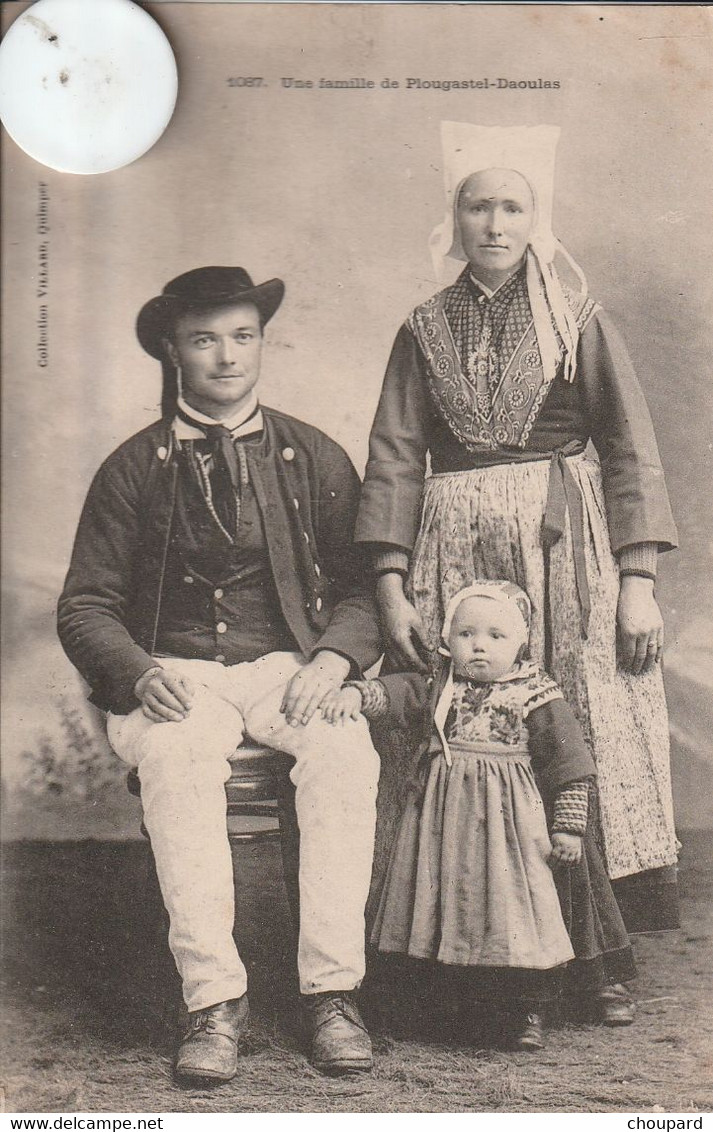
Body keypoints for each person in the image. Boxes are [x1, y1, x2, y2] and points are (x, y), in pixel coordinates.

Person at [57, 266, 382, 1083]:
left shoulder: (311, 455)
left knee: (345, 752)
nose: (228, 357)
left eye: (244, 336)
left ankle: (332, 994)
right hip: (170, 671)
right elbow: (86, 605)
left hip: (286, 667)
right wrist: (134, 673)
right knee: (178, 755)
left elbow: (361, 587)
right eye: (205, 339)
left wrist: (335, 658)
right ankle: (212, 1002)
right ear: (172, 349)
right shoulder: (133, 467)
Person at [354, 123, 680, 929]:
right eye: (476, 207)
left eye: (511, 206)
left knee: (574, 710)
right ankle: (460, 915)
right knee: (454, 709)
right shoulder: (422, 326)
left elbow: (629, 452)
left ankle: (587, 924)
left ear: (537, 217)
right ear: (453, 219)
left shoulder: (577, 318)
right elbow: (394, 457)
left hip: (561, 543)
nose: (493, 225)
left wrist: (636, 584)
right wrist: (390, 586)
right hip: (451, 546)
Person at [324, 581, 636, 1049]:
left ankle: (523, 1009)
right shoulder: (440, 684)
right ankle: (443, 1006)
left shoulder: (537, 693)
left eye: (496, 636)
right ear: (448, 639)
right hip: (440, 823)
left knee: (514, 911)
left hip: (511, 829)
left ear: (521, 643)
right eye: (466, 634)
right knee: (438, 905)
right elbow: (398, 694)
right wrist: (360, 695)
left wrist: (569, 826)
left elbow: (570, 765)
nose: (479, 645)